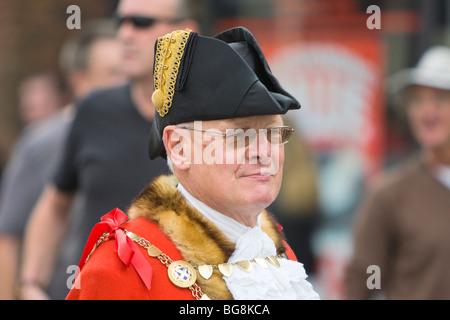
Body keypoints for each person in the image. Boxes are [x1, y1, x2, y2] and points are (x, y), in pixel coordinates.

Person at [66, 26, 320, 300]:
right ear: (179, 148)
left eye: (272, 132)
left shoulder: (275, 254)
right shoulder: (121, 269)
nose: (262, 151)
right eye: (238, 135)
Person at [20, 0, 198, 300]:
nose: (125, 34)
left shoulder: (210, 119)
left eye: (141, 22)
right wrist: (31, 285)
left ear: (185, 31)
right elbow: (54, 204)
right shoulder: (93, 109)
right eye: (121, 22)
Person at [0, 20, 125, 300]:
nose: (124, 85)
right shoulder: (42, 144)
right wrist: (26, 288)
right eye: (113, 74)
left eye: (127, 73)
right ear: (79, 80)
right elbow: (8, 235)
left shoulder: (149, 135)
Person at [346, 46, 450, 299]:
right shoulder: (390, 194)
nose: (427, 112)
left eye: (440, 99)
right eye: (418, 101)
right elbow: (360, 282)